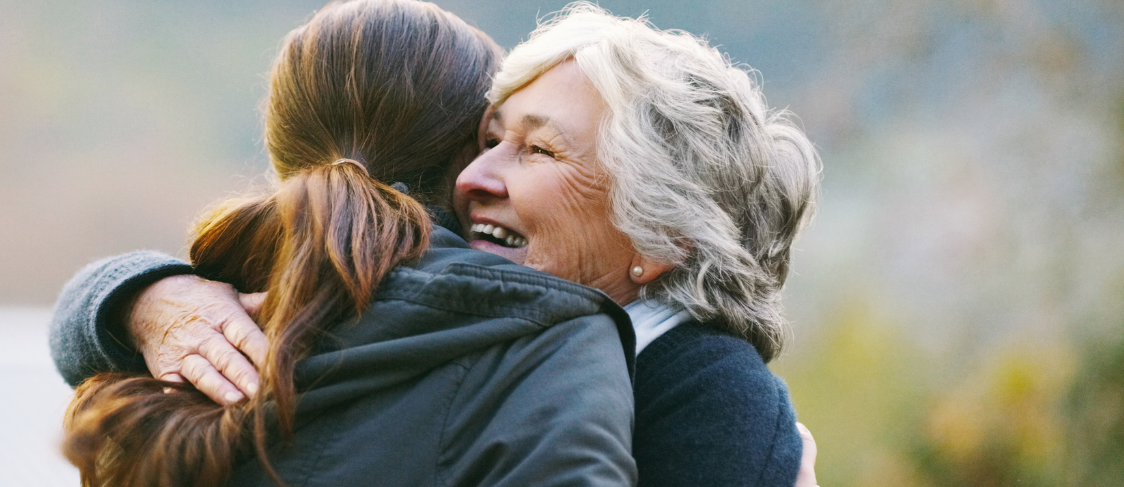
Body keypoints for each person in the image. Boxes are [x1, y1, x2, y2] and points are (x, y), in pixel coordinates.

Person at [55, 2, 823, 486]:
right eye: (486, 140)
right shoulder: (310, 299)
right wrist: (139, 297)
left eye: (539, 151)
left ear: (658, 236)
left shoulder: (708, 401)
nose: (477, 177)